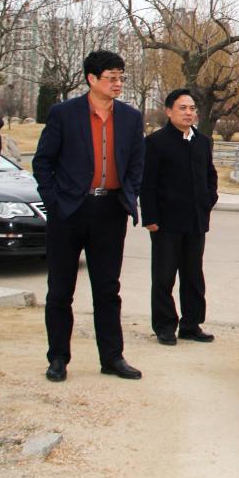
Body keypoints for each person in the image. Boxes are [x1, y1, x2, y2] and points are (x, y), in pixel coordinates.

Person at [33, 50, 145, 382]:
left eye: (121, 78)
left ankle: (112, 357)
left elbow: (137, 164)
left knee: (108, 289)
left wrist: (128, 195)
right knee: (60, 290)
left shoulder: (130, 118)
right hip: (69, 210)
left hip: (110, 211)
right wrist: (54, 202)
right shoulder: (63, 114)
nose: (117, 84)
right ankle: (58, 358)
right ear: (91, 79)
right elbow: (42, 162)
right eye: (111, 78)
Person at [140, 88, 218, 346]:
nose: (188, 113)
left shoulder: (203, 141)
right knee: (164, 276)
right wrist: (150, 216)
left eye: (192, 108)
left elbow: (210, 175)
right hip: (166, 222)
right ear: (169, 111)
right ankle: (164, 326)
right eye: (182, 108)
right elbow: (147, 183)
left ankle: (191, 324)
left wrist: (208, 201)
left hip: (195, 221)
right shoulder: (156, 142)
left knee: (193, 275)